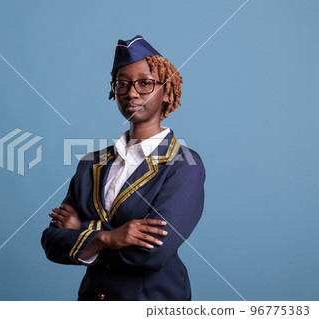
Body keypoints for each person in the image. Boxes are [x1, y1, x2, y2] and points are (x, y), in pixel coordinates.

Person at [41, 35, 206, 301]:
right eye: (123, 84)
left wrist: (82, 232)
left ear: (166, 90)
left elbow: (152, 253)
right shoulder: (91, 164)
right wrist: (111, 237)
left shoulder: (184, 164)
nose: (131, 92)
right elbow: (51, 242)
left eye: (145, 83)